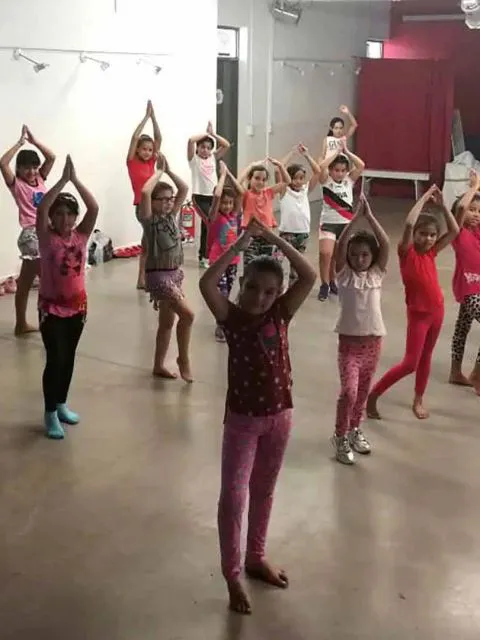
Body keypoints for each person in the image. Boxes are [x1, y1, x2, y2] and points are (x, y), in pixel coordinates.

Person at [199, 217, 317, 615]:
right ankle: (232, 574)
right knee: (233, 498)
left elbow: (309, 274)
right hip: (242, 422)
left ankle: (256, 556)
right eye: (251, 287)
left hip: (280, 417)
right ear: (241, 285)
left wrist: (276, 240)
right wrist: (241, 244)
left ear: (278, 294)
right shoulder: (231, 317)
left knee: (264, 490)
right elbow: (206, 284)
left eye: (269, 291)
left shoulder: (280, 314)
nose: (260, 297)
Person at [367, 185, 459, 420]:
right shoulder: (406, 252)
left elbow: (454, 230)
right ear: (415, 235)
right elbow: (409, 224)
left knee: (426, 357)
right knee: (410, 363)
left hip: (437, 311)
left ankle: (418, 399)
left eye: (432, 235)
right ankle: (373, 394)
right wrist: (425, 198)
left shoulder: (431, 252)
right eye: (423, 234)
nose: (427, 239)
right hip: (419, 315)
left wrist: (443, 207)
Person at [36, 156, 99, 440]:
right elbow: (42, 208)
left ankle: (61, 403)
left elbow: (94, 207)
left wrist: (76, 180)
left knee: (69, 357)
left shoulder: (81, 236)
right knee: (56, 358)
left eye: (70, 214)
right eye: (59, 214)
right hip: (51, 309)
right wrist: (62, 181)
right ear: (52, 218)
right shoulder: (46, 238)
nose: (65, 219)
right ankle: (50, 411)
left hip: (78, 307)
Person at [331, 194, 389, 465]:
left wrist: (370, 217)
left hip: (373, 344)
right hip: (349, 347)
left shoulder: (376, 274)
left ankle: (355, 429)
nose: (359, 259)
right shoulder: (344, 275)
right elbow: (341, 246)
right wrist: (354, 220)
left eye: (365, 254)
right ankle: (340, 435)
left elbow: (385, 243)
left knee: (363, 392)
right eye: (354, 255)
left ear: (372, 257)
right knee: (349, 393)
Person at [138, 154, 193, 382]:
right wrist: (158, 172)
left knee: (167, 323)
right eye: (163, 199)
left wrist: (169, 171)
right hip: (159, 276)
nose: (169, 202)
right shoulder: (149, 220)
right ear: (153, 201)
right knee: (188, 315)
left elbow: (184, 188)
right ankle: (183, 359)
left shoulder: (171, 216)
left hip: (174, 274)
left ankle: (158, 365)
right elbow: (144, 192)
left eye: (171, 199)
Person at [0, 125, 56, 335]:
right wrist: (20, 143)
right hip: (31, 235)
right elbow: (2, 163)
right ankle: (51, 323)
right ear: (19, 170)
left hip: (44, 232)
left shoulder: (40, 179)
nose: (31, 172)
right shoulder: (16, 184)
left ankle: (21, 324)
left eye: (34, 167)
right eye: (26, 168)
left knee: (24, 283)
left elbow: (51, 157)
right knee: (48, 281)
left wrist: (34, 141)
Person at [317, 140, 365, 301]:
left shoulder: (348, 181)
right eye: (336, 170)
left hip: (345, 224)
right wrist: (335, 154)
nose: (340, 173)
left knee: (337, 257)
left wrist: (346, 151)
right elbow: (321, 167)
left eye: (343, 170)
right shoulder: (326, 180)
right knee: (325, 253)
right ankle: (324, 284)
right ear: (331, 171)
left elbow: (361, 165)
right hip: (328, 223)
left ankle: (333, 282)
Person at [206, 160, 245, 342]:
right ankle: (221, 325)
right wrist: (222, 176)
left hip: (233, 261)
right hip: (218, 261)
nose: (227, 206)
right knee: (221, 292)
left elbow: (241, 192)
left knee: (228, 291)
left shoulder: (234, 215)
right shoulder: (215, 217)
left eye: (230, 203)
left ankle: (224, 319)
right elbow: (216, 195)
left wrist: (229, 174)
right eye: (224, 203)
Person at [449, 171, 480, 393]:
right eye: (473, 210)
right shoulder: (457, 231)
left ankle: (455, 371)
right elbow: (460, 207)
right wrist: (475, 186)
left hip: (478, 287)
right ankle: (477, 374)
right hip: (468, 289)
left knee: (462, 327)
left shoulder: (477, 232)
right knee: (462, 327)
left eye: (479, 211)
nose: (476, 214)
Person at [126, 100, 162, 290]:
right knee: (150, 242)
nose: (148, 152)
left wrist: (154, 118)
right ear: (138, 150)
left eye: (150, 150)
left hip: (155, 205)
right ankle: (145, 278)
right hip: (142, 206)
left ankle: (144, 278)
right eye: (144, 149)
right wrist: (146, 117)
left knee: (148, 242)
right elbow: (134, 138)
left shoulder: (151, 163)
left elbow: (158, 138)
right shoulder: (132, 162)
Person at [187, 121, 231, 268]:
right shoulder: (194, 160)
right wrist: (206, 134)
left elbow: (226, 145)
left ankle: (205, 255)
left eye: (208, 148)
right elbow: (191, 140)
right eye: (202, 147)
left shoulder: (212, 157)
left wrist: (213, 134)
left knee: (208, 226)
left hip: (213, 197)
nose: (205, 150)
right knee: (210, 222)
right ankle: (206, 256)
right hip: (199, 197)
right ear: (198, 148)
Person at [276, 143, 321, 285]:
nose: (298, 181)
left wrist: (306, 155)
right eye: (295, 178)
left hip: (302, 234)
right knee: (276, 262)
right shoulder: (284, 190)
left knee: (296, 268)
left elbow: (317, 172)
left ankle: (292, 290)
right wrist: (292, 153)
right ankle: (276, 287)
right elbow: (278, 169)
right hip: (286, 234)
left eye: (301, 178)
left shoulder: (305, 190)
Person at [238, 158, 290, 265]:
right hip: (251, 238)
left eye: (263, 180)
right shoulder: (246, 194)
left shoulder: (268, 192)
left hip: (268, 236)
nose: (260, 182)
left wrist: (280, 166)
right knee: (250, 266)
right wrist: (251, 166)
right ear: (250, 179)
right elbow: (238, 182)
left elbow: (287, 181)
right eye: (257, 178)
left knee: (266, 266)